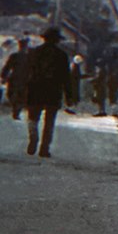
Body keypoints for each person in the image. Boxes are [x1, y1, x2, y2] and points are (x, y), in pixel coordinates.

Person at [24, 27, 73, 158]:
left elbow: (26, 72)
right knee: (49, 122)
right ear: (57, 40)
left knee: (33, 118)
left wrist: (22, 89)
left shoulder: (34, 53)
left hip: (35, 89)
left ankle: (33, 137)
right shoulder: (62, 56)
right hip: (53, 91)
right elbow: (66, 77)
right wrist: (69, 95)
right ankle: (44, 148)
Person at [1, 37, 31, 119]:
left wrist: (4, 76)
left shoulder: (15, 56)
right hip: (23, 79)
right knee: (19, 96)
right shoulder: (28, 57)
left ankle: (16, 110)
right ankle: (16, 109)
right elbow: (7, 67)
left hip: (17, 79)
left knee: (16, 95)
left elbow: (7, 67)